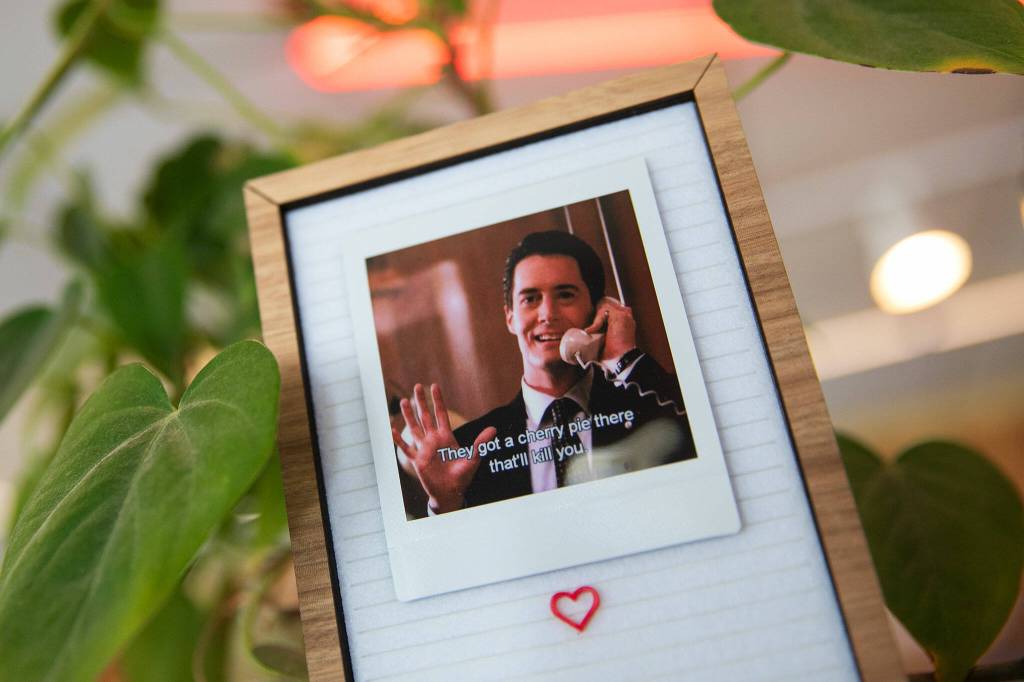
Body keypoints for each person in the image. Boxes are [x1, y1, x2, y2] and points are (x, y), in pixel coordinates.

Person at [391, 231, 695, 514]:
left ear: (598, 309)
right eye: (530, 298)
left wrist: (624, 357)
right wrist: (446, 503)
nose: (547, 314)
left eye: (565, 295)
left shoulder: (649, 405)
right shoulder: (469, 449)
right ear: (510, 318)